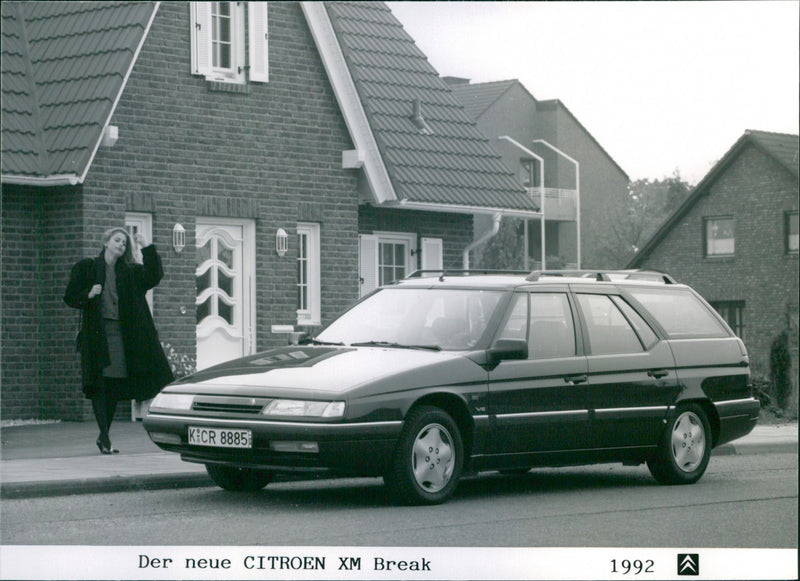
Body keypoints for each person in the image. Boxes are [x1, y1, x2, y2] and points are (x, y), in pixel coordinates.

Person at [64, 227, 174, 454]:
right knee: (99, 383)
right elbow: (70, 296)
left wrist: (147, 247)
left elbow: (154, 275)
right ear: (106, 242)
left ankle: (104, 436)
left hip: (122, 336)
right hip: (97, 335)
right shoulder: (87, 268)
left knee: (113, 385)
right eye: (117, 240)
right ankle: (104, 436)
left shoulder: (131, 272)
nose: (121, 245)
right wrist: (88, 294)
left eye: (124, 242)